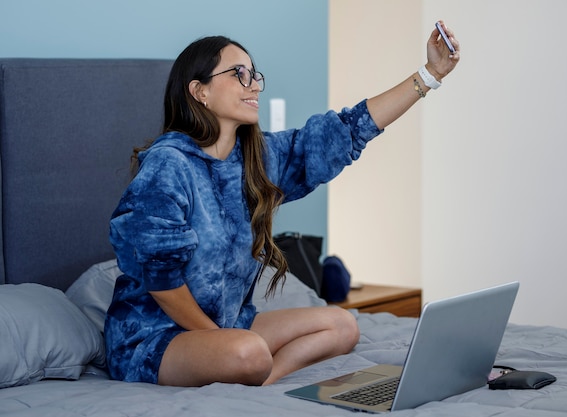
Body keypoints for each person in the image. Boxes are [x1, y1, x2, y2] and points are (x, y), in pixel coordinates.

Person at [104, 21, 460, 387]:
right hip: (154, 338)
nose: (254, 84)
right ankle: (250, 363)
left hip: (228, 326)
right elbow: (162, 282)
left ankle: (267, 377)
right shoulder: (168, 165)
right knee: (250, 351)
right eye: (239, 74)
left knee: (342, 324)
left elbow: (348, 130)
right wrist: (221, 339)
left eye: (255, 75)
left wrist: (430, 75)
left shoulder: (255, 160)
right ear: (199, 91)